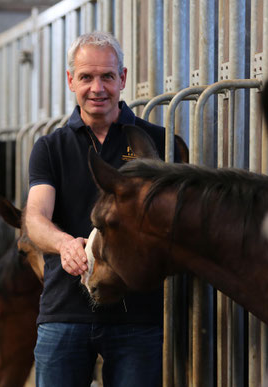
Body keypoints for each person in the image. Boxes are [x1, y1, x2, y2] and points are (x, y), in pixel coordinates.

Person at [25, 31, 182, 387]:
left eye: (107, 76)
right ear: (70, 81)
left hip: (138, 316)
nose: (97, 88)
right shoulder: (50, 148)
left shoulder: (159, 142)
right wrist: (64, 244)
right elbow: (35, 217)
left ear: (122, 78)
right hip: (64, 311)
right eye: (86, 77)